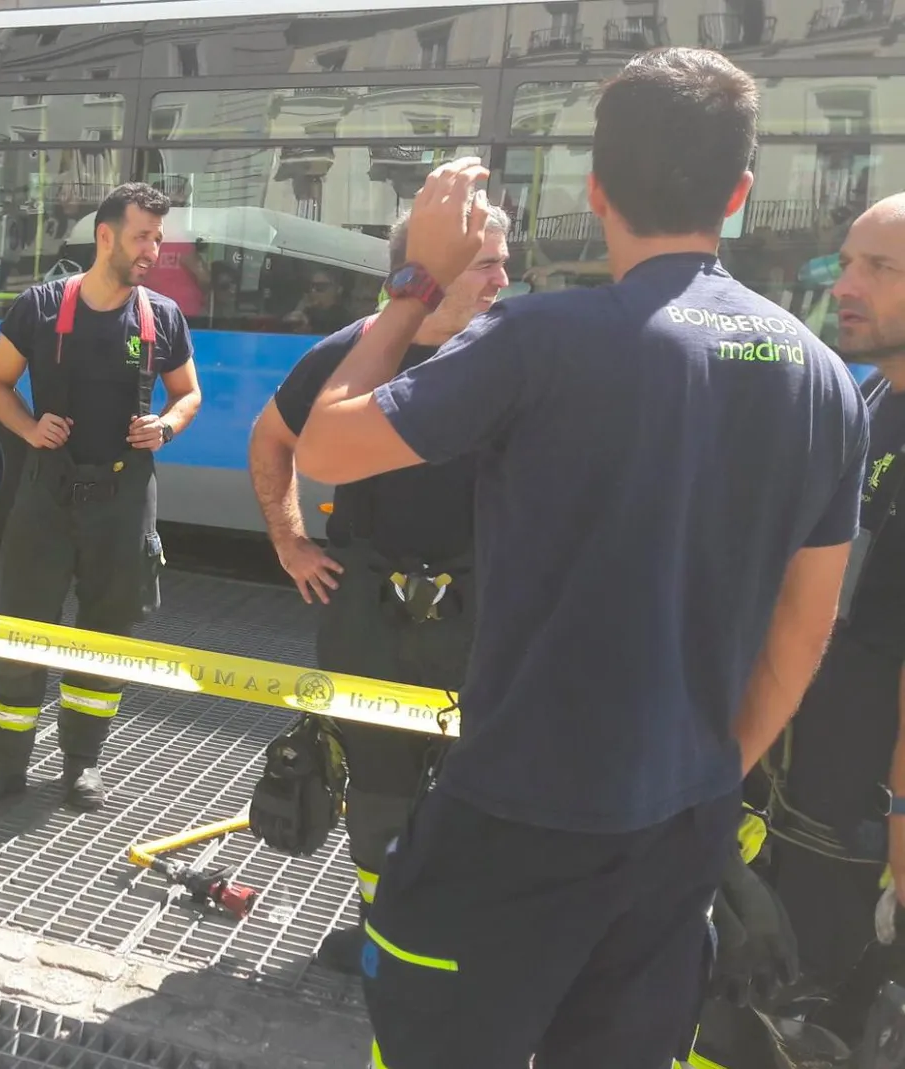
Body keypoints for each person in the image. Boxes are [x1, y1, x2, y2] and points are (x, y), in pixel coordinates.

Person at [292, 47, 868, 1068]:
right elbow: (804, 624)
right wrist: (707, 771)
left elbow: (324, 448)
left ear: (595, 190)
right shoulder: (820, 377)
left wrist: (411, 284)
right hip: (680, 825)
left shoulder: (536, 339)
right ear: (737, 194)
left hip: (511, 814)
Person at [246, 202, 510, 973]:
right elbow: (272, 437)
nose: (502, 277)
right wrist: (291, 541)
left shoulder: (512, 353)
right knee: (380, 793)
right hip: (371, 612)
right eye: (485, 260)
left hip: (486, 611)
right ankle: (383, 936)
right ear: (433, 265)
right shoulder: (350, 353)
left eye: (500, 260)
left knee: (484, 786)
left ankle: (465, 936)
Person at [688, 193, 905, 1069]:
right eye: (845, 261)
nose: (842, 284)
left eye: (878, 269)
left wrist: (899, 820)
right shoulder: (873, 397)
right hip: (803, 799)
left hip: (865, 829)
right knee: (755, 1002)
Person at [0, 182, 203, 813]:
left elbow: (189, 394)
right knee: (21, 629)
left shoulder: (162, 318)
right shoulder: (39, 308)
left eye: (158, 238)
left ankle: (82, 765)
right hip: (48, 492)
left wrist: (167, 426)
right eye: (142, 236)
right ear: (106, 236)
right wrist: (30, 428)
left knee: (105, 633)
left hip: (124, 497)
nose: (152, 249)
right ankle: (3, 767)